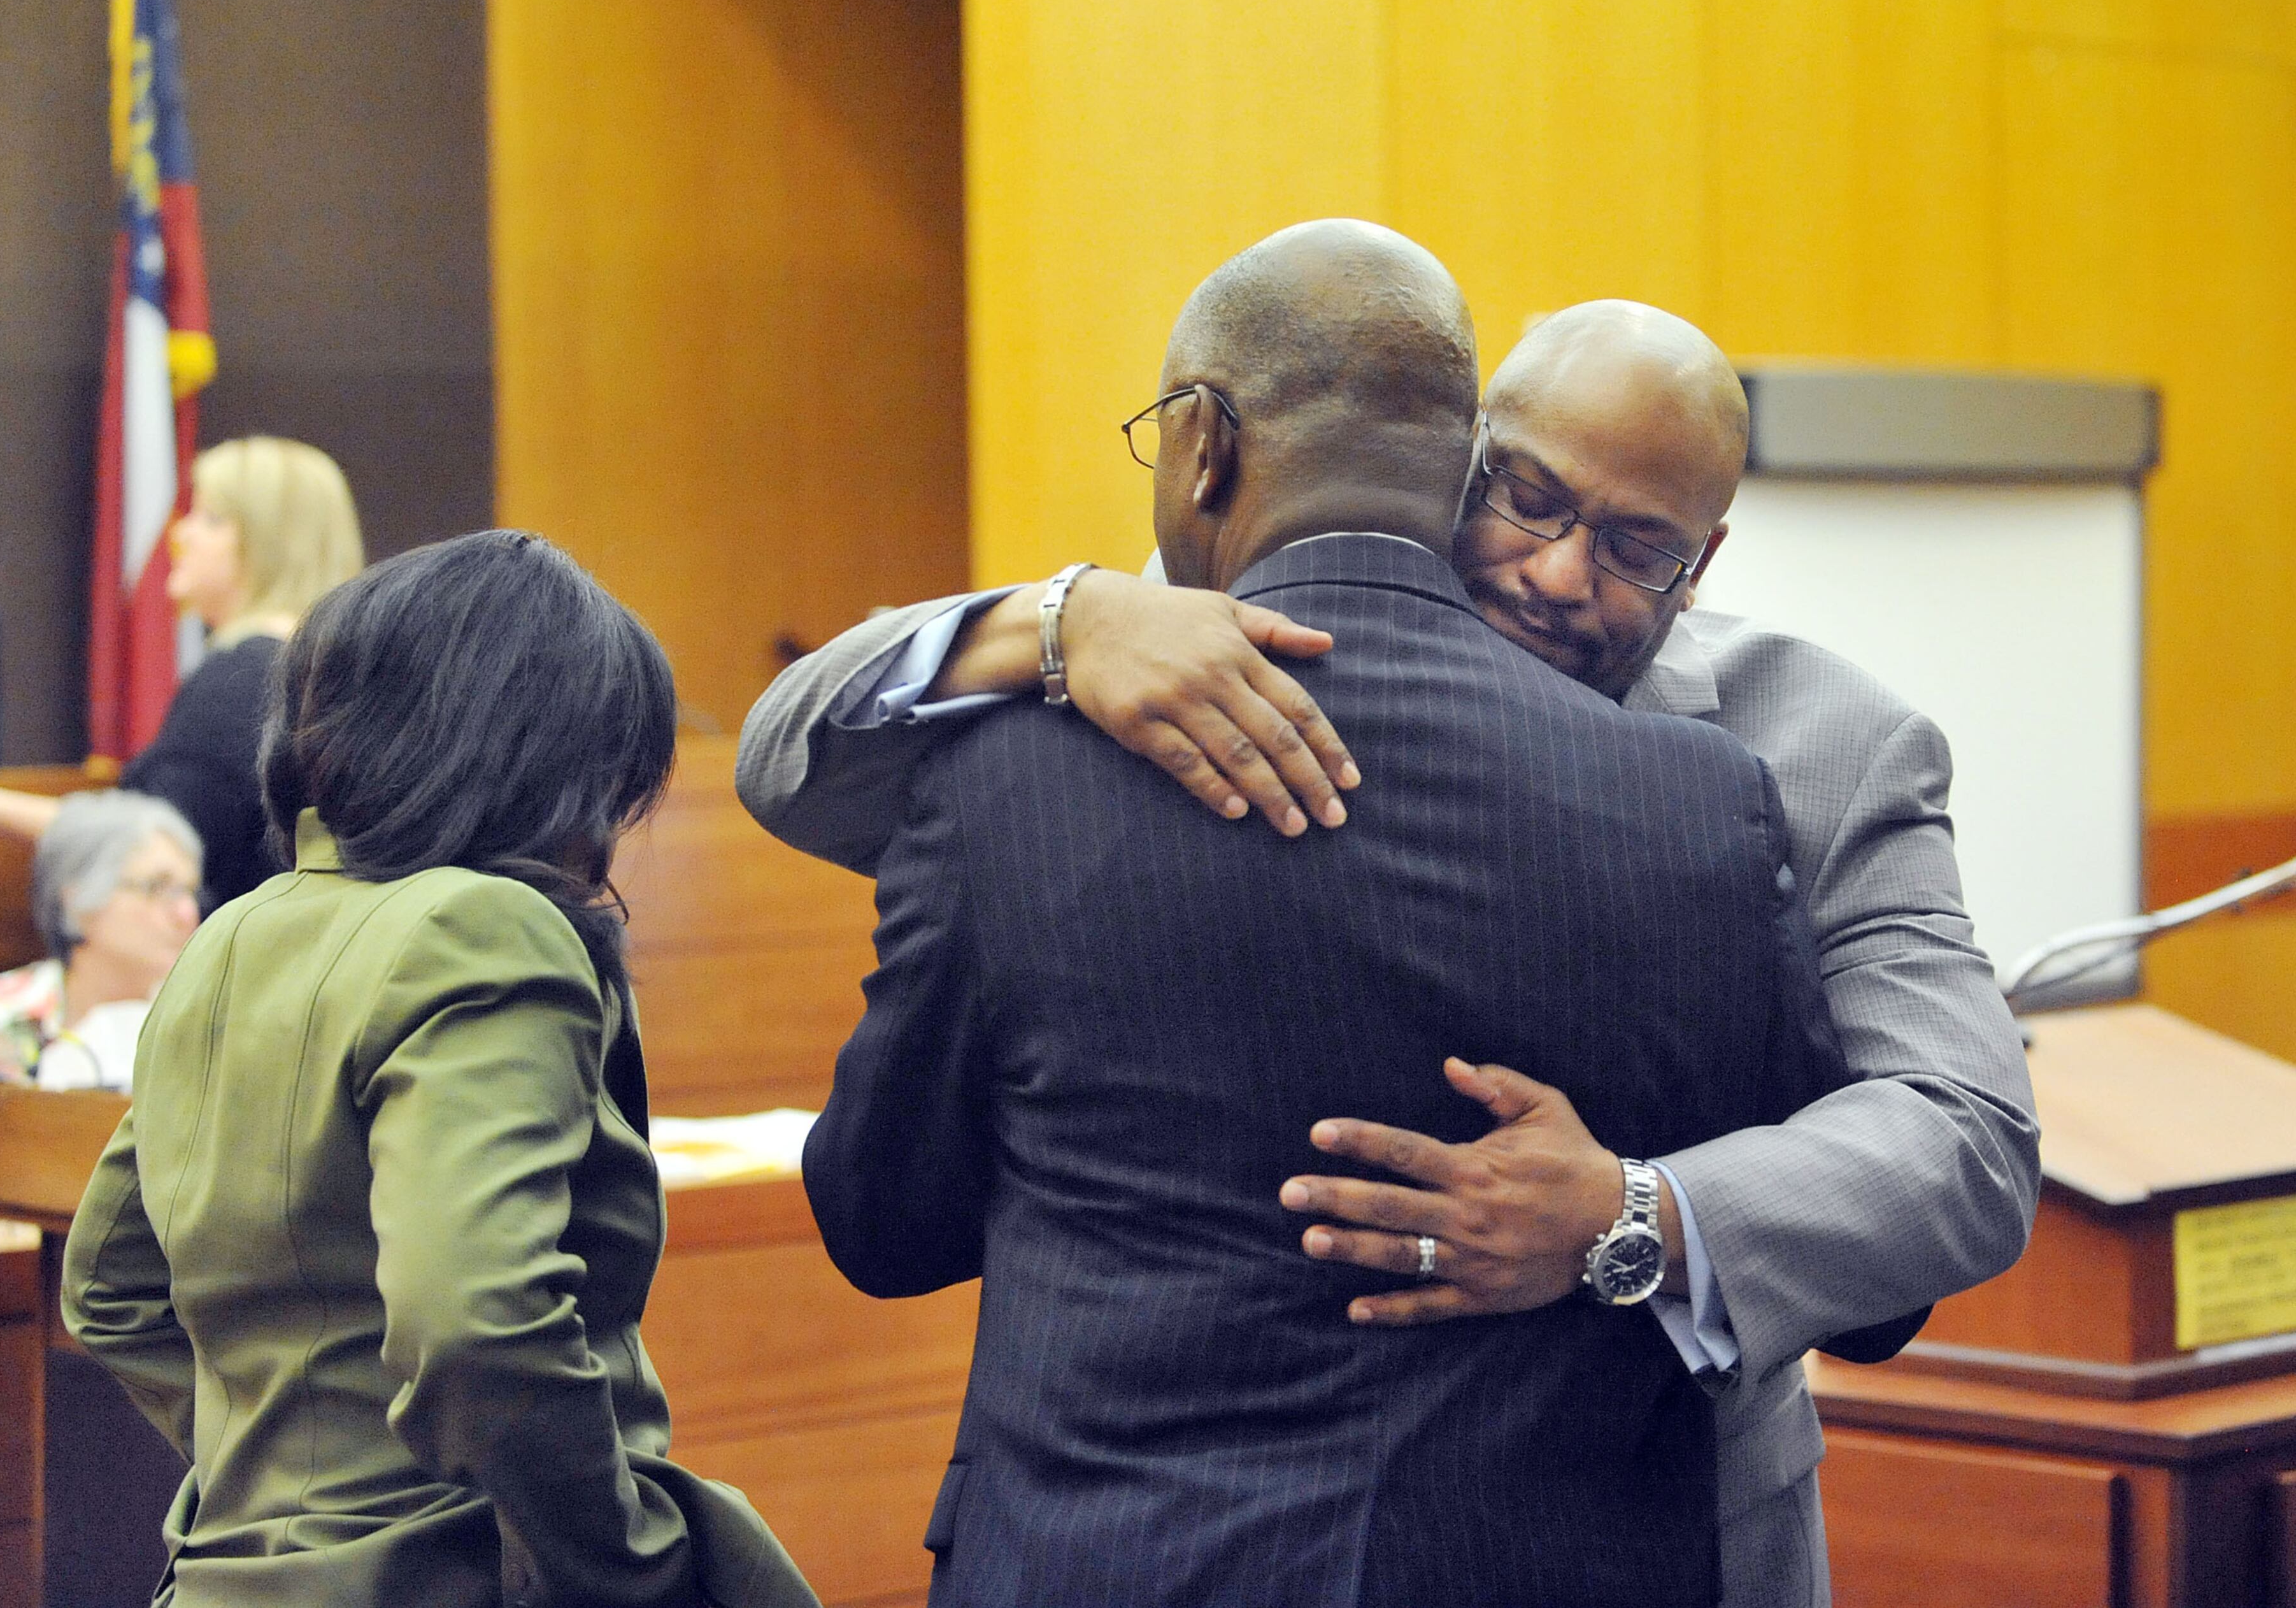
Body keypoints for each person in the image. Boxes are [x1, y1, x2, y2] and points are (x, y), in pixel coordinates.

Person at [739, 298, 2040, 1604]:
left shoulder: (1816, 747)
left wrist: (1633, 1211)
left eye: (1637, 546)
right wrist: (1056, 618)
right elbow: (790, 757)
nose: (1557, 573)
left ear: (1703, 562)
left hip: (1645, 1520)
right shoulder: (1180, 642)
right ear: (1461, 456)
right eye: (1527, 498)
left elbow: (1965, 1132)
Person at [62, 531, 817, 1608]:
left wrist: (285, 1478)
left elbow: (109, 1288)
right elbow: (476, 1318)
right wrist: (623, 1564)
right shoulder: (489, 925)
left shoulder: (232, 938)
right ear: (548, 754)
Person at [0, 435, 364, 906]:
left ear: (270, 546)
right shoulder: (344, 672)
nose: (182, 534)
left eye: (211, 520)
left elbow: (156, 846)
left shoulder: (239, 680)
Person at [0, 790, 202, 1091]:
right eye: (157, 888)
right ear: (78, 900)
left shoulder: (207, 1020)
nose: (187, 913)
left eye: (189, 891)